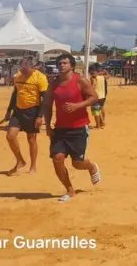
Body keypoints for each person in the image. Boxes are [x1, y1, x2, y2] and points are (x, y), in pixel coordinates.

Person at [42, 53, 102, 202]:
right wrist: (48, 124)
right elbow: (48, 104)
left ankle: (91, 167)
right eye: (59, 63)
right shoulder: (54, 83)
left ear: (72, 65)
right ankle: (69, 190)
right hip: (60, 128)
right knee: (57, 158)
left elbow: (94, 97)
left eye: (65, 63)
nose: (61, 65)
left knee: (77, 163)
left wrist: (78, 105)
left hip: (78, 127)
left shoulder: (80, 80)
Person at [1, 56, 48, 175]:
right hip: (18, 111)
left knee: (31, 139)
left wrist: (40, 116)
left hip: (33, 111)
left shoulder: (40, 78)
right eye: (21, 68)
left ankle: (33, 166)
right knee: (10, 136)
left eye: (25, 69)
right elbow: (15, 94)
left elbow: (45, 98)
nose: (23, 71)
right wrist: (8, 110)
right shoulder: (18, 76)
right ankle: (20, 160)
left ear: (32, 67)